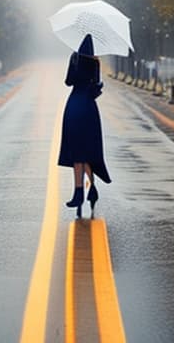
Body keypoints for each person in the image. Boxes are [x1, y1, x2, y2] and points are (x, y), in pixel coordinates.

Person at [58, 34, 111, 218]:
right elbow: (96, 88)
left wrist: (74, 65)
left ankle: (78, 193)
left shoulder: (74, 58)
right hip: (89, 108)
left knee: (76, 152)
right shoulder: (95, 62)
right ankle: (92, 188)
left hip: (74, 105)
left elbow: (68, 81)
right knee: (86, 151)